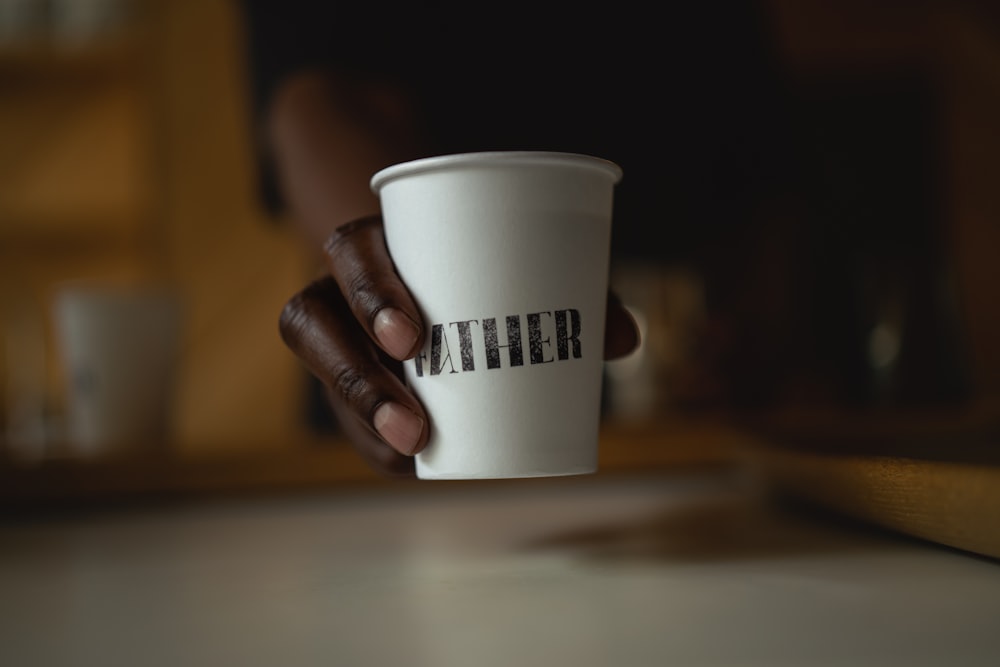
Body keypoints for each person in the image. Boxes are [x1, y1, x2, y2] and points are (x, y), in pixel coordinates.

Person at [239, 0, 795, 477]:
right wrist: (393, 293)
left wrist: (764, 318)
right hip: (387, 466)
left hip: (692, 431)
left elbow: (762, 158)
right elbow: (311, 101)